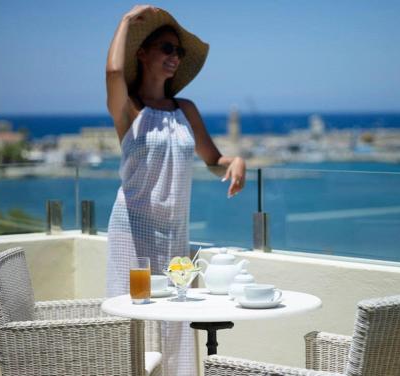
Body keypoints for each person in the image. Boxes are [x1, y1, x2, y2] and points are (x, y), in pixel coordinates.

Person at [105, 5, 246, 376]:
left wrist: (235, 163)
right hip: (131, 229)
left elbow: (213, 159)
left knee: (175, 324)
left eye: (178, 52)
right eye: (167, 48)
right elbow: (113, 71)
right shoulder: (128, 108)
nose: (174, 57)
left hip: (173, 233)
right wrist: (126, 22)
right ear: (143, 53)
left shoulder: (186, 109)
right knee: (134, 323)